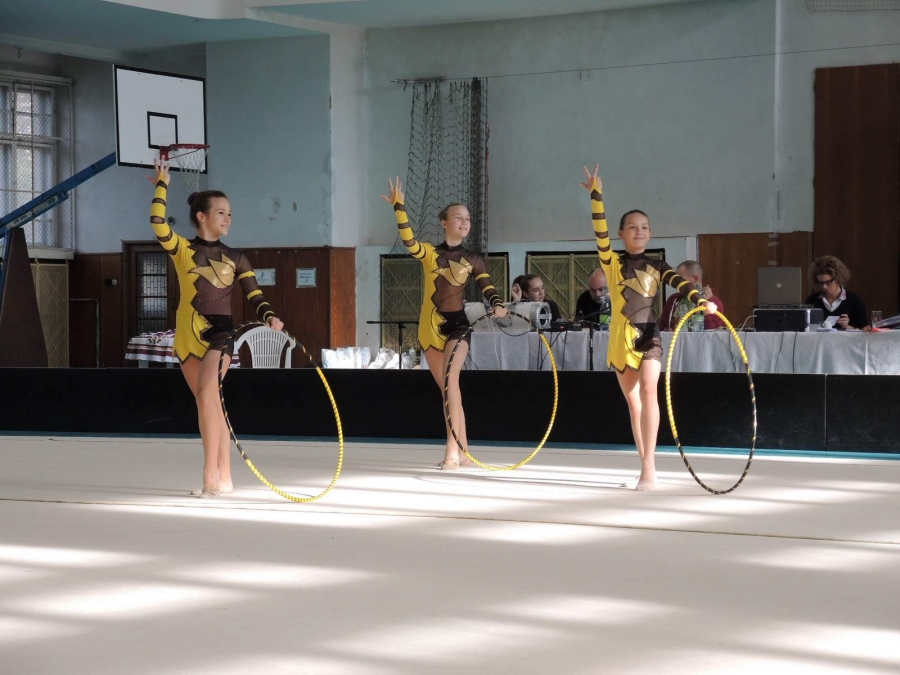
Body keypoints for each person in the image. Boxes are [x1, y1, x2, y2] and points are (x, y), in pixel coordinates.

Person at [149, 159, 284, 497]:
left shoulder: (236, 257)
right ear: (202, 216)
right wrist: (162, 186)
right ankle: (225, 477)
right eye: (221, 212)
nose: (228, 218)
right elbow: (158, 223)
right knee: (207, 402)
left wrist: (269, 317)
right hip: (186, 333)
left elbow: (255, 294)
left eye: (230, 213)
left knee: (209, 394)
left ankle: (210, 475)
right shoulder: (182, 249)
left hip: (221, 333)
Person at [580, 165, 715, 491]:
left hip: (649, 334)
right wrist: (596, 196)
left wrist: (701, 299)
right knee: (634, 403)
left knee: (649, 390)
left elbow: (681, 283)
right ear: (622, 233)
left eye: (644, 227)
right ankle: (644, 463)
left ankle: (649, 469)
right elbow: (599, 233)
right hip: (621, 337)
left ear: (650, 233)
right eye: (632, 227)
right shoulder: (612, 262)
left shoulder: (657, 265)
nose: (638, 231)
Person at [382, 177, 507, 470]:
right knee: (448, 390)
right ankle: (463, 450)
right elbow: (409, 242)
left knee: (451, 382)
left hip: (458, 326)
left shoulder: (473, 259)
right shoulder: (430, 253)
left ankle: (452, 451)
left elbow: (487, 286)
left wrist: (497, 302)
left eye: (467, 219)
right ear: (444, 222)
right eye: (458, 218)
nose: (464, 223)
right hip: (429, 327)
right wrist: (399, 208)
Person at [659, 260, 725, 331]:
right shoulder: (674, 299)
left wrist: (706, 307)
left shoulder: (713, 302)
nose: (678, 284)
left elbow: (716, 333)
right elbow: (662, 327)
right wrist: (667, 330)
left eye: (681, 280)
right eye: (677, 280)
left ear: (695, 279)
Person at [804, 256, 867, 330]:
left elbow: (864, 330)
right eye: (821, 283)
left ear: (838, 278)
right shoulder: (812, 300)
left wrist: (847, 327)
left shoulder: (853, 300)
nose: (824, 287)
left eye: (828, 282)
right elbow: (803, 328)